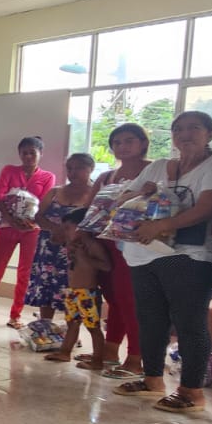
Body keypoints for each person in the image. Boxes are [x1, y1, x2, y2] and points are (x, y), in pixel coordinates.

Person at [112, 111, 212, 414]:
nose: (185, 134)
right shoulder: (158, 166)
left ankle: (191, 391)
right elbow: (123, 197)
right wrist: (141, 192)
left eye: (194, 128)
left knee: (189, 321)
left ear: (209, 133)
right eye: (178, 129)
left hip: (191, 256)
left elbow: (209, 207)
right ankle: (152, 379)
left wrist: (162, 225)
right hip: (144, 253)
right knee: (150, 319)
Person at [0, 136, 55, 328]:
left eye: (32, 152)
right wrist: (11, 219)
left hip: (32, 230)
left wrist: (29, 221)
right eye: (24, 152)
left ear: (40, 154)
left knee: (24, 273)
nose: (28, 156)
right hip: (7, 227)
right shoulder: (9, 170)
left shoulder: (48, 177)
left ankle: (15, 316)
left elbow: (44, 202)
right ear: (19, 153)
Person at [86, 124, 151, 377]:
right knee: (114, 299)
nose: (122, 146)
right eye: (117, 142)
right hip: (105, 244)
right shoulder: (106, 177)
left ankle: (136, 358)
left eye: (129, 141)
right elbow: (90, 209)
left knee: (130, 300)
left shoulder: (154, 171)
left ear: (143, 143)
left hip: (134, 244)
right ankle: (110, 351)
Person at [24, 153, 96, 320]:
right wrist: (55, 229)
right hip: (49, 249)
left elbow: (97, 223)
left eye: (79, 168)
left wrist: (72, 235)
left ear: (91, 169)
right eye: (70, 168)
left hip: (76, 251)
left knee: (72, 290)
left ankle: (71, 329)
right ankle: (46, 325)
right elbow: (39, 216)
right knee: (46, 287)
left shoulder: (95, 195)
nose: (73, 172)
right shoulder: (55, 192)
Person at [49, 208, 110, 368]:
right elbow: (55, 239)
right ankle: (65, 352)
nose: (66, 232)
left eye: (68, 228)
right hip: (72, 291)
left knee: (93, 328)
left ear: (82, 227)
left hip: (87, 293)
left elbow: (106, 266)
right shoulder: (71, 243)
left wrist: (85, 257)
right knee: (72, 324)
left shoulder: (92, 245)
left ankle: (97, 360)